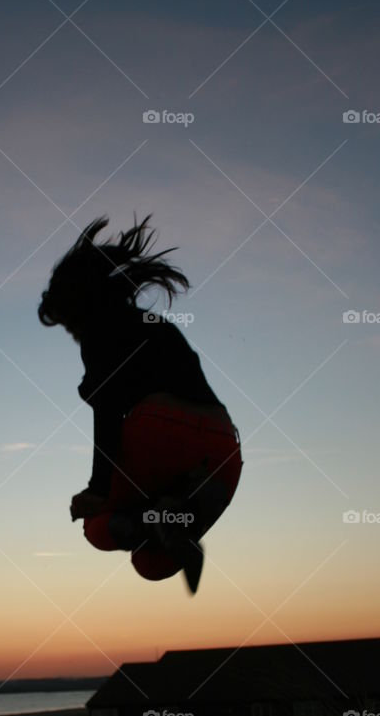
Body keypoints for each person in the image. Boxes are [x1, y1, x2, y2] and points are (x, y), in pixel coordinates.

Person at [37, 215, 243, 593]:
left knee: (95, 526)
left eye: (68, 325)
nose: (71, 334)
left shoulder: (100, 331)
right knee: (149, 564)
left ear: (79, 308)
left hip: (161, 429)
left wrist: (98, 489)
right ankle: (172, 515)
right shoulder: (156, 324)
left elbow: (109, 408)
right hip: (223, 448)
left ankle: (156, 520)